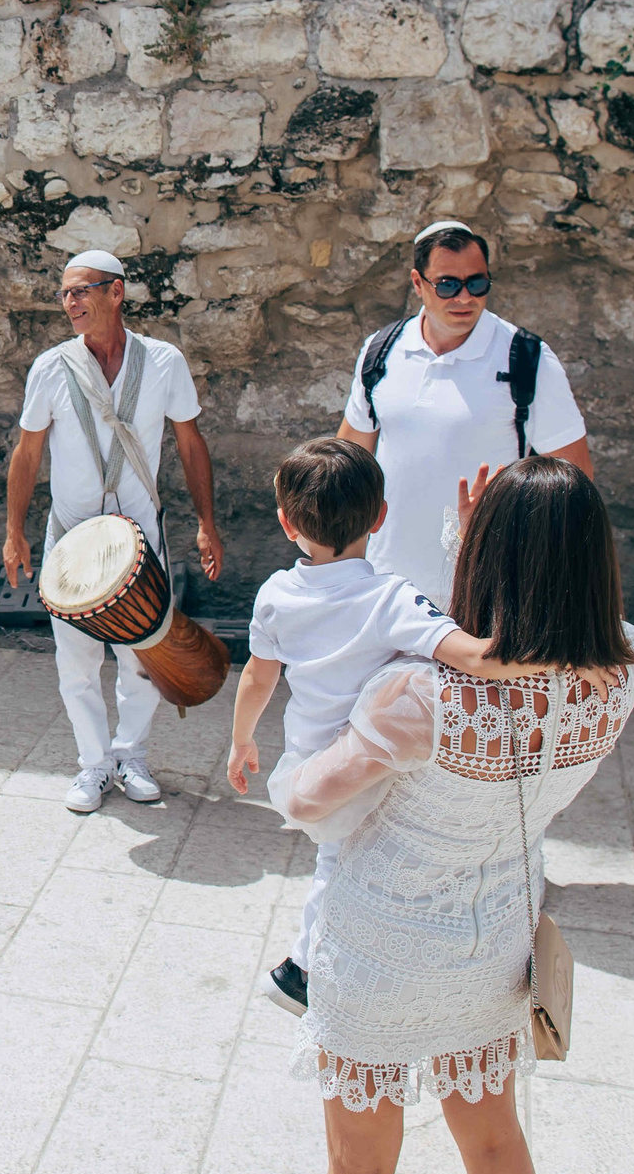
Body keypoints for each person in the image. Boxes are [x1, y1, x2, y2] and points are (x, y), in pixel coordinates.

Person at [279, 457, 634, 1174]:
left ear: (485, 556)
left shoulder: (420, 697)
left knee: (360, 1161)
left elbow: (310, 800)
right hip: (494, 939)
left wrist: (288, 758)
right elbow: (530, 643)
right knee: (492, 1142)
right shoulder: (623, 667)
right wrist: (480, 546)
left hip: (381, 947)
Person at [225, 437, 542, 1020]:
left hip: (309, 765)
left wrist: (243, 738)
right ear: (380, 516)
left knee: (334, 861)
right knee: (347, 867)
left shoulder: (275, 595)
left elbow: (256, 678)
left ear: (284, 522)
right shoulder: (389, 597)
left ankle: (305, 966)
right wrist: (546, 651)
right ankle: (307, 971)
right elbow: (470, 654)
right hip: (371, 771)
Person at [2, 249, 224, 814]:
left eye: (82, 291)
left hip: (138, 533)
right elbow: (27, 453)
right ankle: (93, 764)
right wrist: (14, 531)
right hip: (72, 533)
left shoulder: (164, 362)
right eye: (65, 294)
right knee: (75, 660)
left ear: (116, 293)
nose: (71, 303)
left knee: (142, 652)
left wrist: (206, 523)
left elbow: (190, 443)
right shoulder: (51, 367)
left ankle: (133, 754)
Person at [340, 220, 593, 606]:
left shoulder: (527, 358)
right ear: (417, 283)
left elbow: (575, 482)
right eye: (447, 285)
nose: (464, 297)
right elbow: (349, 459)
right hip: (386, 586)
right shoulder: (381, 350)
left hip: (489, 588)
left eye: (477, 283)